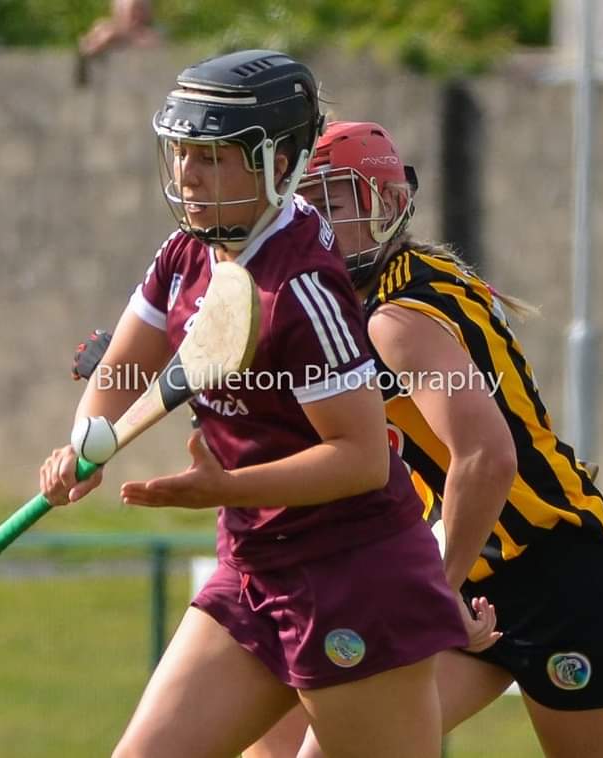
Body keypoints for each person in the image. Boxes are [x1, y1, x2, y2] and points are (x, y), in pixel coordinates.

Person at [74, 120, 603, 757]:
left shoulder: (393, 319)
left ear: (383, 204)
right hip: (462, 564)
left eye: (337, 202)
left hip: (562, 575)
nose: (319, 220)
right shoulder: (354, 294)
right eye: (310, 202)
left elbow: (486, 459)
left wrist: (435, 597)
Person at [42, 52, 479, 758]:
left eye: (213, 156)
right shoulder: (186, 253)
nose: (187, 173)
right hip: (251, 568)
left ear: (280, 163)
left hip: (353, 579)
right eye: (182, 151)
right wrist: (87, 442)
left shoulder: (303, 287)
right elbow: (124, 366)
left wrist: (225, 487)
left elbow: (362, 458)